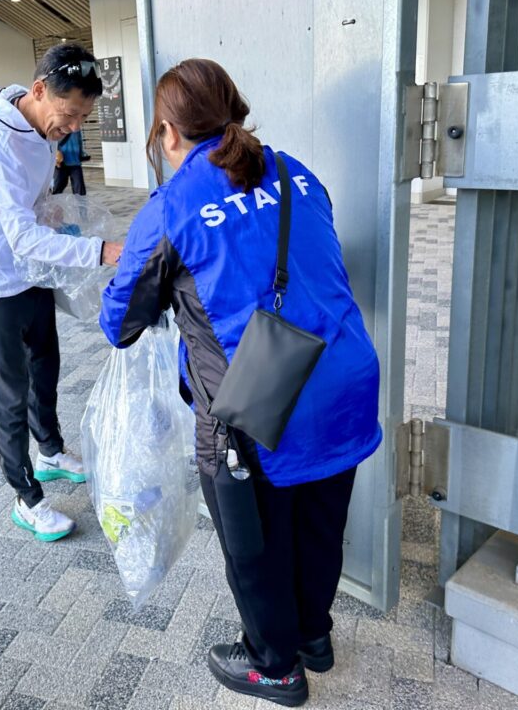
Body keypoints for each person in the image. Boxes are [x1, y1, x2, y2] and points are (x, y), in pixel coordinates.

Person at [99, 59, 382, 707]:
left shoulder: (171, 206)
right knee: (318, 524)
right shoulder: (298, 173)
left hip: (259, 394)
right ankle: (314, 637)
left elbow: (119, 322)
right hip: (342, 370)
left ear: (168, 133)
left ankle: (274, 663)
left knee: (253, 546)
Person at [0, 42, 123, 542]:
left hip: (30, 272)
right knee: (6, 391)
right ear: (40, 90)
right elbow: (19, 233)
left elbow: (33, 209)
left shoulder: (39, 126)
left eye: (83, 119)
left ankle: (49, 450)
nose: (71, 127)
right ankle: (26, 497)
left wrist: (60, 219)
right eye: (68, 114)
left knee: (45, 363)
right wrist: (100, 250)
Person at [51, 128, 88, 196]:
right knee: (56, 189)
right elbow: (52, 142)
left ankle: (81, 206)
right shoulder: (57, 126)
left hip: (75, 162)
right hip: (61, 162)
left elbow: (80, 141)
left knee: (80, 191)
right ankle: (52, 205)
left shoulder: (77, 127)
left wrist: (81, 154)